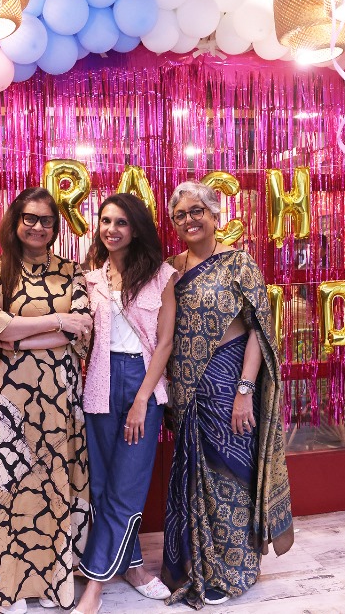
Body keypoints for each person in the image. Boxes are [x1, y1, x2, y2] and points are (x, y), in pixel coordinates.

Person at [0, 187, 93, 614]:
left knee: (53, 484)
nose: (37, 226)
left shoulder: (71, 271)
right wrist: (56, 321)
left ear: (55, 226)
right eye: (29, 218)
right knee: (11, 484)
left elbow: (81, 330)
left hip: (58, 399)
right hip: (6, 401)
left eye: (46, 220)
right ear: (16, 221)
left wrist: (18, 336)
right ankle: (8, 586)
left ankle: (53, 581)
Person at [162, 181, 294, 608]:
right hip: (187, 391)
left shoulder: (239, 263)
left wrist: (244, 390)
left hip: (228, 385)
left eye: (196, 211)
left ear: (215, 215)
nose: (189, 220)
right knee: (194, 479)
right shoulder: (171, 269)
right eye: (180, 215)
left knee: (232, 474)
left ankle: (234, 570)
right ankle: (197, 565)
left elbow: (259, 330)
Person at [73, 194, 176, 614]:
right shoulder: (90, 279)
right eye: (105, 221)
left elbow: (165, 343)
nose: (111, 229)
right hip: (99, 381)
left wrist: (142, 399)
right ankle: (133, 567)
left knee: (126, 486)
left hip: (141, 380)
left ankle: (95, 586)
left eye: (121, 222)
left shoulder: (161, 276)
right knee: (101, 486)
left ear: (135, 229)